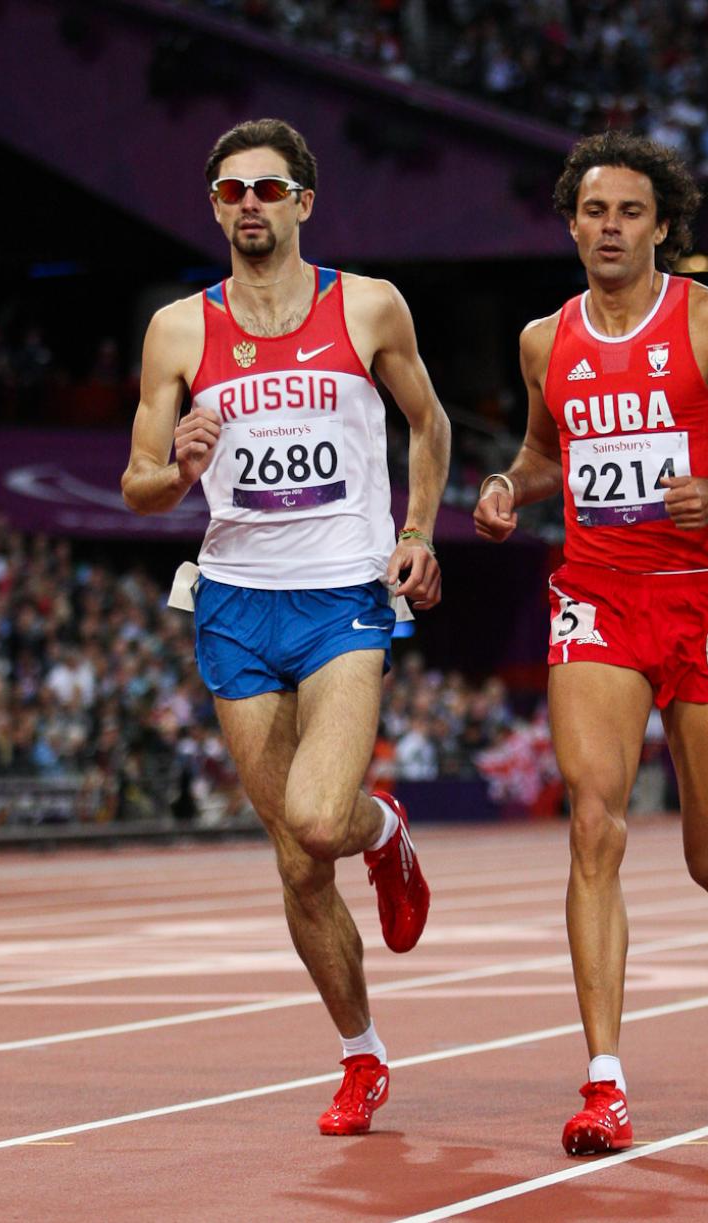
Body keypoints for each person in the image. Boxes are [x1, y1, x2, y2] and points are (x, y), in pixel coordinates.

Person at [472, 131, 708, 1155]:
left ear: (662, 225)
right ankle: (604, 1080)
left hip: (704, 601)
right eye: (593, 210)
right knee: (594, 821)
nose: (610, 227)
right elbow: (543, 454)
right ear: (571, 223)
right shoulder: (547, 339)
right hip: (599, 600)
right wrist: (506, 486)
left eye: (630, 211)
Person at [121, 118, 450, 1136]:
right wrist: (176, 463)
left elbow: (428, 423)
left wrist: (419, 530)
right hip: (232, 599)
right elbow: (136, 486)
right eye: (231, 191)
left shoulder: (367, 305)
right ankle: (361, 1053)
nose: (249, 205)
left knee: (320, 815)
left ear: (304, 201)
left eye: (269, 188)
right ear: (216, 208)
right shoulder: (179, 329)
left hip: (343, 592)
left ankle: (382, 828)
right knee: (299, 859)